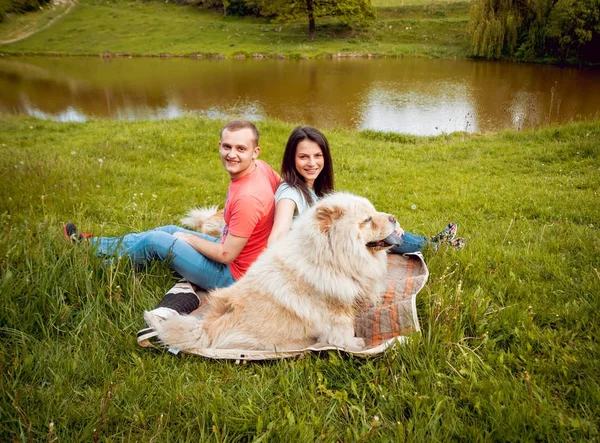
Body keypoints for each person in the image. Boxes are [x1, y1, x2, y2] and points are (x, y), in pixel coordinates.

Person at [64, 119, 281, 292]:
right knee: (168, 231)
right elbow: (284, 187)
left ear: (255, 151)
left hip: (233, 277)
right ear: (219, 146)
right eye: (227, 146)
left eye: (240, 149)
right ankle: (94, 246)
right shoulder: (261, 168)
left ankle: (102, 270)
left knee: (156, 241)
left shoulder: (248, 198)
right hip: (243, 259)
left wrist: (189, 238)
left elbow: (226, 255)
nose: (232, 154)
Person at [267, 125, 465, 251]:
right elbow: (278, 235)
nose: (312, 163)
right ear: (292, 159)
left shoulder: (313, 186)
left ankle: (433, 242)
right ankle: (435, 247)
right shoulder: (290, 193)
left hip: (334, 241)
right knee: (382, 234)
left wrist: (391, 225)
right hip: (321, 251)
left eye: (317, 156)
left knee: (387, 229)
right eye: (303, 157)